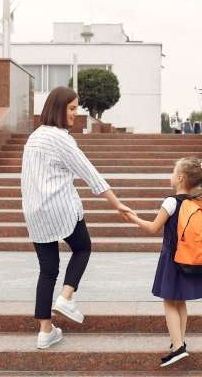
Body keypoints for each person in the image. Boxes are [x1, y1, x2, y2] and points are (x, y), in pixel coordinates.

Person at [20, 86, 135, 349]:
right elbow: (89, 172)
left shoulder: (34, 137)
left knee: (47, 269)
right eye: (71, 108)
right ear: (58, 109)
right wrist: (116, 203)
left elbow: (27, 178)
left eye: (76, 108)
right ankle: (66, 297)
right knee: (83, 248)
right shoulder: (60, 138)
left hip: (35, 211)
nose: (75, 113)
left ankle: (45, 331)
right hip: (59, 207)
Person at [124, 156, 202, 367]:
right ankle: (178, 342)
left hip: (172, 258)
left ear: (180, 178)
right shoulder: (196, 202)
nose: (171, 175)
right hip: (189, 258)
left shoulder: (171, 201)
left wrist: (133, 218)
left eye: (173, 171)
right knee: (179, 301)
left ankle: (178, 346)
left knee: (168, 300)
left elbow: (153, 228)